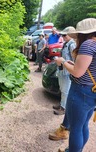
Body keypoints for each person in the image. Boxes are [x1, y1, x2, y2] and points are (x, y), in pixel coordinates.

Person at [54, 18, 96, 152]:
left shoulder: (88, 44)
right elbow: (88, 68)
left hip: (80, 90)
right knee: (83, 125)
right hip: (92, 89)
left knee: (76, 128)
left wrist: (63, 62)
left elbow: (77, 72)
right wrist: (72, 64)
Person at [53, 26, 76, 115]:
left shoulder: (72, 44)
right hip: (62, 70)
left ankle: (63, 108)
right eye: (62, 35)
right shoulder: (66, 43)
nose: (63, 37)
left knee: (65, 90)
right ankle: (62, 104)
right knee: (62, 88)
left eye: (65, 35)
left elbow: (74, 60)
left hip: (67, 72)